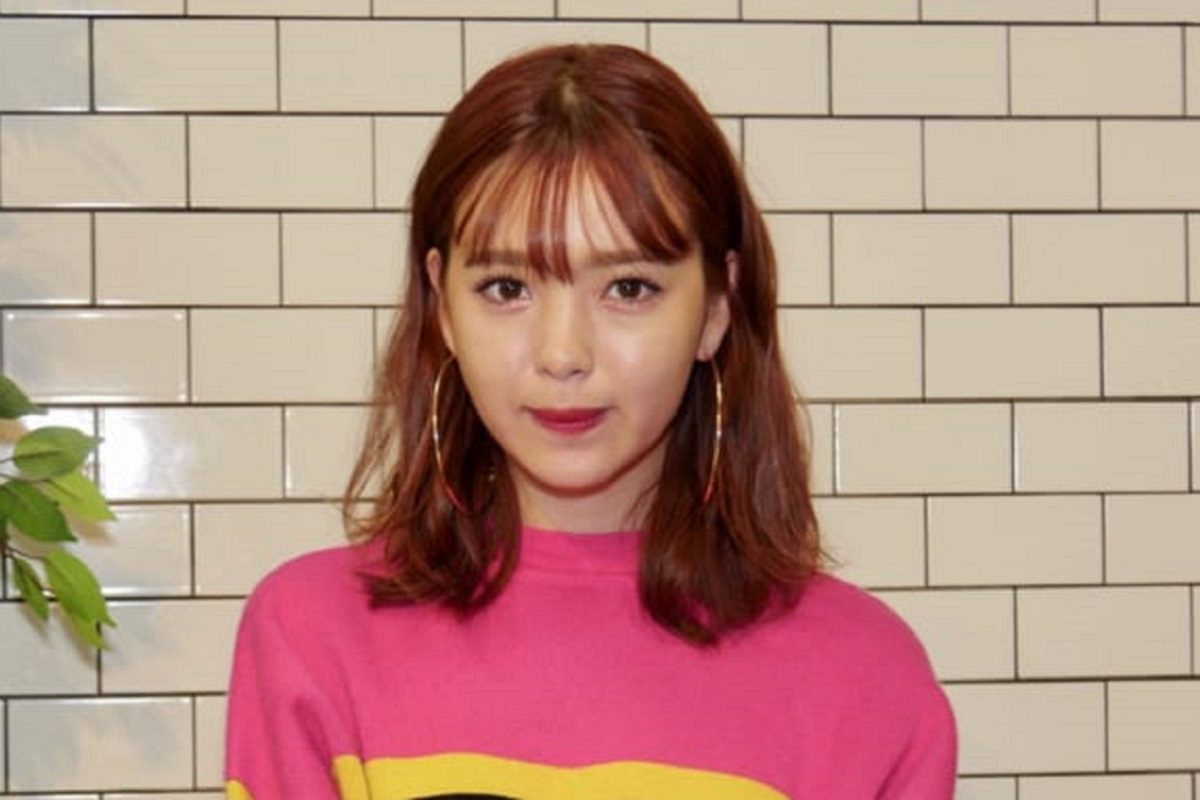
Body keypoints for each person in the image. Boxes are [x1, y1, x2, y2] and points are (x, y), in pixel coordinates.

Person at [223, 43, 957, 800]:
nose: (563, 354)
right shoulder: (312, 638)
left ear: (715, 306)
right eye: (506, 287)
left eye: (629, 288)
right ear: (442, 305)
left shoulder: (868, 680)